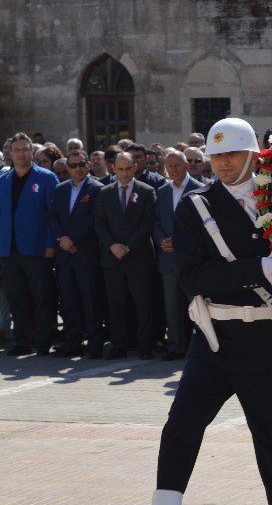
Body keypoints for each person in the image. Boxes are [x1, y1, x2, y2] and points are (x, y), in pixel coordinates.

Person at [123, 118, 272, 505]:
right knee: (179, 427)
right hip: (215, 337)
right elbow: (193, 276)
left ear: (254, 156)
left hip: (268, 338)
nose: (222, 165)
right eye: (216, 157)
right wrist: (256, 267)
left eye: (232, 156)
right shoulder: (196, 206)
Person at [94, 152, 157, 359]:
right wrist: (112, 245)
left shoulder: (147, 192)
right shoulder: (105, 193)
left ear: (135, 167)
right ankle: (119, 344)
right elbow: (100, 223)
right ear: (113, 168)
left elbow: (148, 223)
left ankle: (145, 345)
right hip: (112, 259)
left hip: (138, 257)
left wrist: (128, 246)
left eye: (128, 168)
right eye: (120, 169)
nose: (124, 173)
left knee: (144, 304)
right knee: (116, 304)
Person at [0, 132, 58, 356]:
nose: (21, 153)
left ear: (32, 152)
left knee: (41, 297)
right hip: (9, 250)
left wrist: (51, 242)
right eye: (17, 150)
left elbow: (53, 215)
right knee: (17, 298)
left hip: (37, 249)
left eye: (25, 149)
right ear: (10, 153)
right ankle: (22, 341)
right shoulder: (3, 181)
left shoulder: (46, 178)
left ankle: (43, 342)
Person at [46, 149, 103, 358]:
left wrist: (73, 240)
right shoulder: (60, 189)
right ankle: (72, 342)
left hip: (85, 253)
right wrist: (62, 238)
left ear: (88, 165)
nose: (77, 169)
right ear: (67, 167)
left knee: (90, 301)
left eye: (81, 165)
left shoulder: (97, 188)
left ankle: (95, 344)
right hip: (65, 254)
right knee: (69, 301)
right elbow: (52, 216)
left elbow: (93, 219)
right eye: (73, 166)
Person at [154, 150, 203, 361]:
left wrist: (181, 242)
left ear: (186, 166)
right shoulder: (163, 191)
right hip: (168, 259)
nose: (173, 169)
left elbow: (202, 226)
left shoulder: (199, 189)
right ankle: (175, 346)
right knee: (171, 305)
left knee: (197, 305)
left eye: (177, 165)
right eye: (169, 166)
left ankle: (201, 346)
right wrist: (160, 240)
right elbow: (156, 221)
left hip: (191, 259)